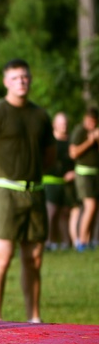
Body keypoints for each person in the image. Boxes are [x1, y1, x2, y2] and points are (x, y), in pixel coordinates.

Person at [0, 59, 53, 322]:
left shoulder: (40, 115)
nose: (21, 82)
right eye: (15, 78)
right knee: (2, 257)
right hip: (4, 192)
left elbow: (49, 156)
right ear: (6, 82)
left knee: (34, 258)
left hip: (35, 191)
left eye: (25, 77)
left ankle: (33, 318)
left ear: (30, 79)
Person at [69, 107, 99, 251]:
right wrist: (90, 141)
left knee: (95, 208)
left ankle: (89, 240)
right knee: (90, 206)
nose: (92, 125)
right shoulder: (79, 131)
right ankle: (81, 242)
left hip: (95, 173)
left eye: (94, 122)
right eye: (89, 121)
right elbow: (73, 153)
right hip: (83, 174)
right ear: (84, 119)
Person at [44, 112, 75, 250]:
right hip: (50, 181)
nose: (64, 126)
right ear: (54, 125)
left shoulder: (71, 142)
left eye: (65, 123)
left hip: (66, 183)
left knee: (65, 213)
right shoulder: (49, 142)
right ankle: (49, 242)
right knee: (51, 212)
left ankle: (65, 243)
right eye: (61, 123)